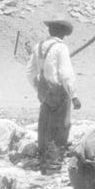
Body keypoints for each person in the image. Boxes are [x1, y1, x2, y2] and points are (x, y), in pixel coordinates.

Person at [27, 17, 81, 174]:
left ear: (50, 30)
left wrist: (37, 86)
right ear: (63, 34)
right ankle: (53, 164)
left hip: (44, 91)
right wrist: (74, 95)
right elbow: (66, 73)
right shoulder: (61, 48)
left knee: (44, 124)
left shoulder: (39, 47)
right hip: (58, 90)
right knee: (59, 127)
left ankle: (43, 160)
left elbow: (30, 71)